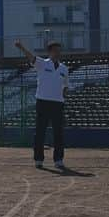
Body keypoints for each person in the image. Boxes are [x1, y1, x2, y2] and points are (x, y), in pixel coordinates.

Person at [15, 39, 69, 170]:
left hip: (58, 103)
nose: (57, 53)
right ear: (49, 52)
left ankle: (59, 160)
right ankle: (38, 159)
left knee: (59, 133)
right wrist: (21, 47)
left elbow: (66, 85)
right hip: (43, 101)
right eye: (55, 50)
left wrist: (64, 95)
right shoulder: (42, 64)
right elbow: (31, 57)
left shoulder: (64, 69)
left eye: (58, 51)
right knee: (40, 132)